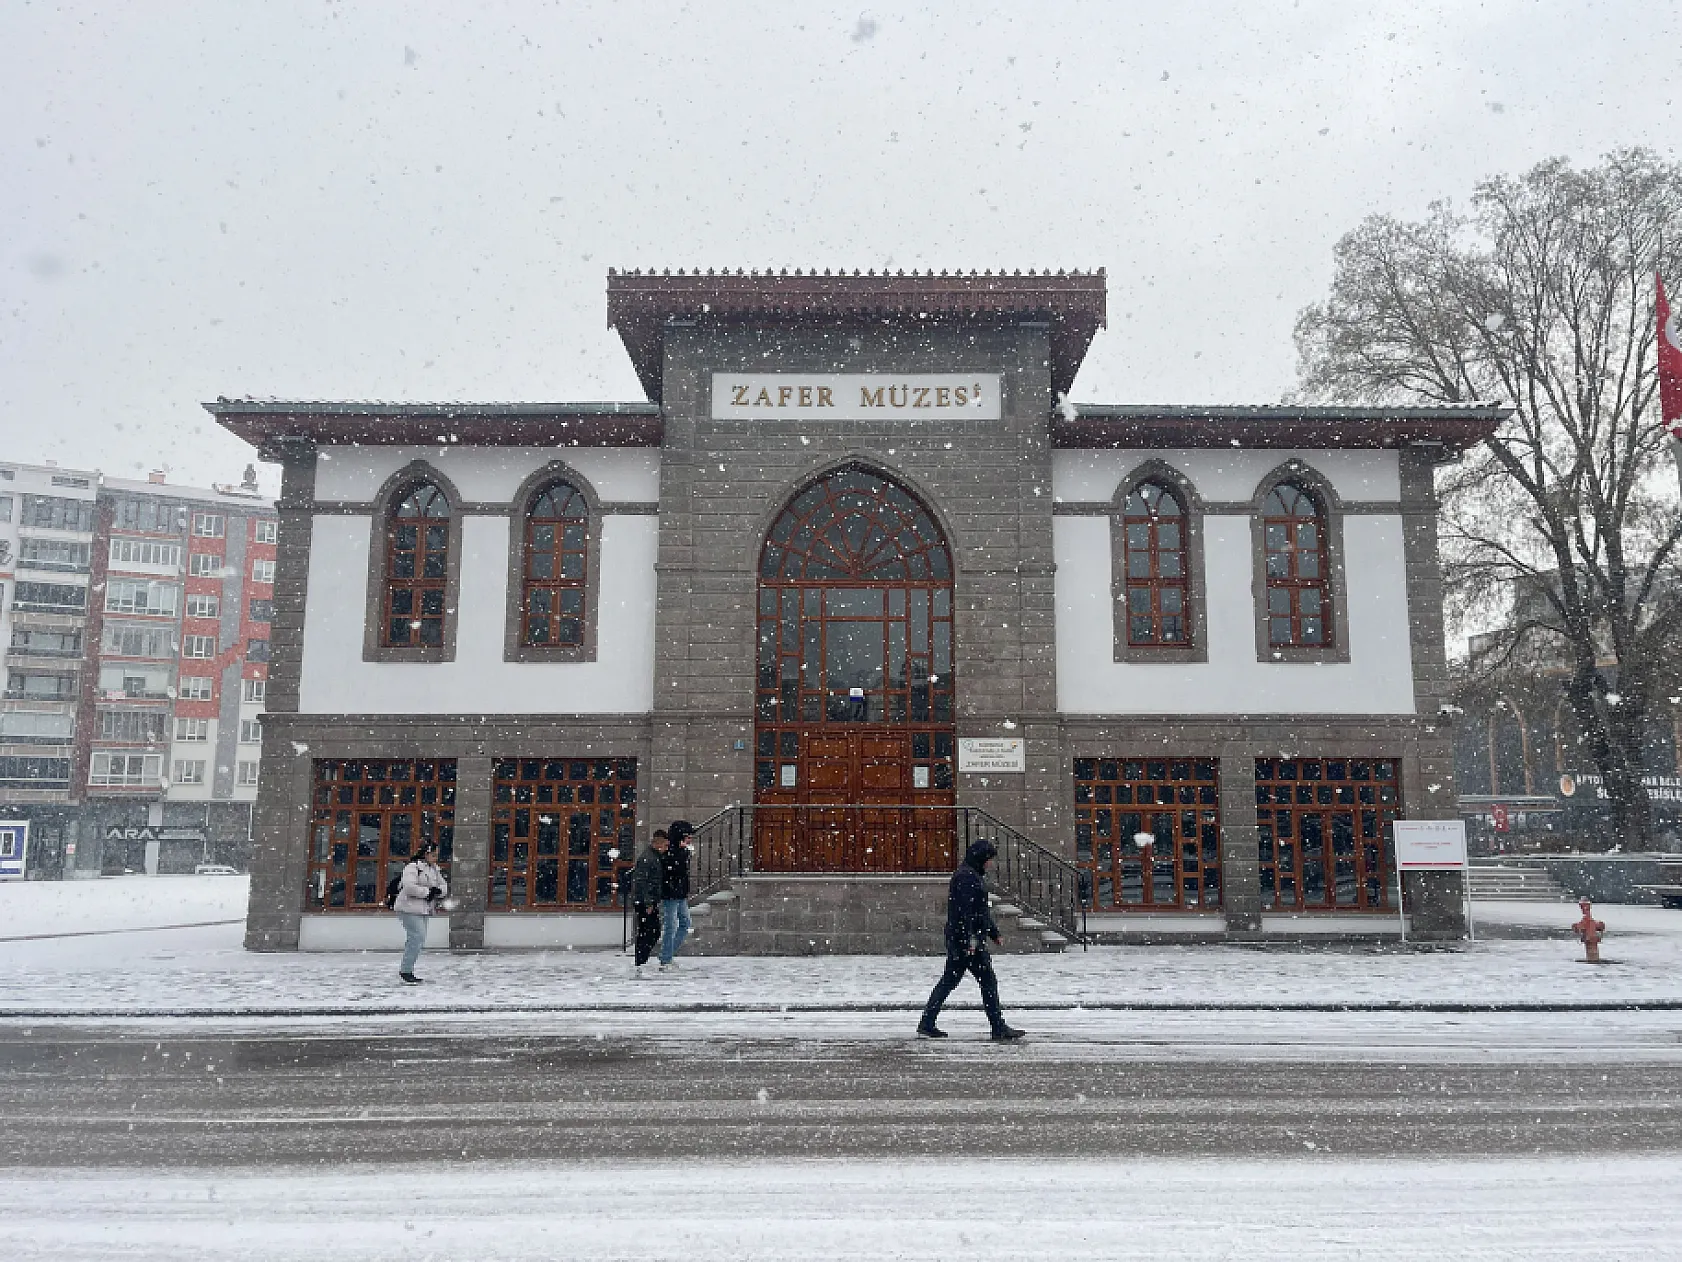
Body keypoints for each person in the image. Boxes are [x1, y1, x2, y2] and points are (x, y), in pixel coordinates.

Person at [918, 839, 1024, 1040]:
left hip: (964, 940)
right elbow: (966, 913)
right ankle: (998, 1027)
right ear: (981, 858)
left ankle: (927, 1022)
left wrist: (993, 933)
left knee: (951, 981)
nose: (991, 864)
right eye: (989, 859)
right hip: (966, 941)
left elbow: (980, 911)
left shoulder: (971, 875)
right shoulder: (967, 878)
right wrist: (970, 941)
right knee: (986, 982)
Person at [392, 840, 448, 985]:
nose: (436, 858)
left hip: (424, 909)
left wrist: (438, 891)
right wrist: (428, 892)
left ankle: (407, 970)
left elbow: (443, 885)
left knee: (418, 939)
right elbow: (409, 887)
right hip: (408, 908)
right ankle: (406, 971)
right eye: (434, 855)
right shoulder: (412, 867)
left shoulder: (434, 869)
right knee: (417, 938)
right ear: (426, 853)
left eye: (437, 856)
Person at [630, 830, 667, 978]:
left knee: (651, 931)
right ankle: (640, 961)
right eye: (664, 845)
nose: (666, 848)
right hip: (645, 902)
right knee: (648, 932)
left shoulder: (654, 857)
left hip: (648, 901)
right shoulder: (648, 858)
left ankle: (641, 960)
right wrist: (648, 902)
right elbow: (641, 882)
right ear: (657, 844)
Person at [658, 819, 695, 971]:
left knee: (685, 924)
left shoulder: (681, 851)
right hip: (670, 894)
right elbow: (672, 871)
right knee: (671, 926)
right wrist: (682, 853)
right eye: (688, 837)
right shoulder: (669, 851)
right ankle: (666, 959)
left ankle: (667, 955)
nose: (690, 840)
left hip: (680, 894)